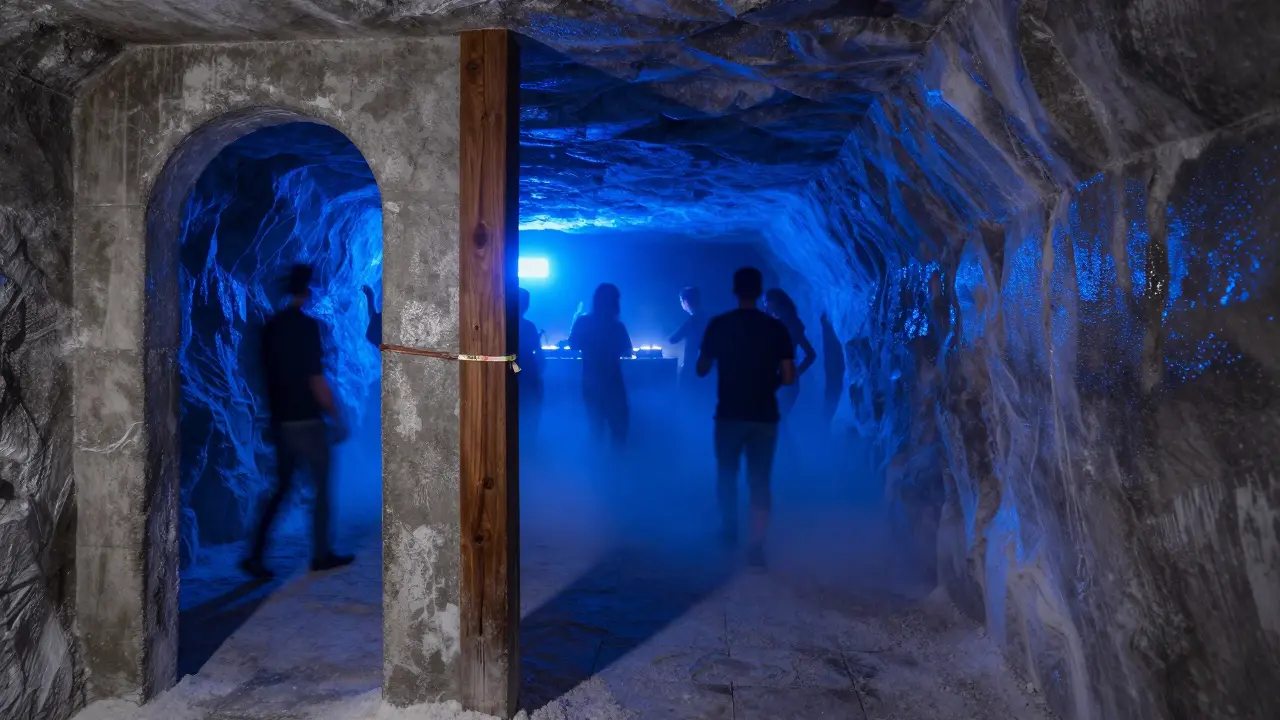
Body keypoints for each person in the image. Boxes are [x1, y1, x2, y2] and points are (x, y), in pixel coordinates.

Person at [241, 264, 353, 580]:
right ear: (307, 291)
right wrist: (336, 415)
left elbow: (259, 374)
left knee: (281, 489)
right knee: (321, 489)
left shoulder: (269, 328)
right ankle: (321, 555)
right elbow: (316, 379)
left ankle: (254, 555)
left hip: (280, 422)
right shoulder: (307, 328)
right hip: (307, 423)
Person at [697, 267, 795, 569]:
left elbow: (701, 369)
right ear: (758, 291)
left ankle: (729, 533)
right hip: (765, 415)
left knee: (727, 475)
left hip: (729, 413)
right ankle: (756, 548)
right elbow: (789, 376)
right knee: (760, 481)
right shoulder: (776, 329)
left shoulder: (719, 324)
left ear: (735, 290)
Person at [569, 283, 633, 449]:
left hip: (591, 382)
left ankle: (596, 469)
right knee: (619, 429)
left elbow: (573, 344)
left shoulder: (584, 322)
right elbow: (627, 349)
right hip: (613, 382)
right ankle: (616, 468)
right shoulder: (617, 326)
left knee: (596, 428)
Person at [764, 289, 817, 421]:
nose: (765, 308)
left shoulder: (792, 325)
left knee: (777, 421)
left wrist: (796, 374)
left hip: (784, 382)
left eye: (767, 304)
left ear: (776, 303)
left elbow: (811, 355)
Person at [669, 286, 712, 413]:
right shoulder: (709, 317)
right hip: (710, 367)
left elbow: (673, 339)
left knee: (689, 400)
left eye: (681, 301)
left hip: (692, 366)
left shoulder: (694, 319)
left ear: (685, 302)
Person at [516, 288, 545, 441]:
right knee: (530, 417)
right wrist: (539, 376)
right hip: (528, 373)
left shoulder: (499, 325)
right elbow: (539, 354)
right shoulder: (529, 326)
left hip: (519, 373)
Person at [820, 313, 845, 427]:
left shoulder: (829, 338)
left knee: (832, 393)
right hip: (833, 369)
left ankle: (827, 424)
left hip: (833, 369)